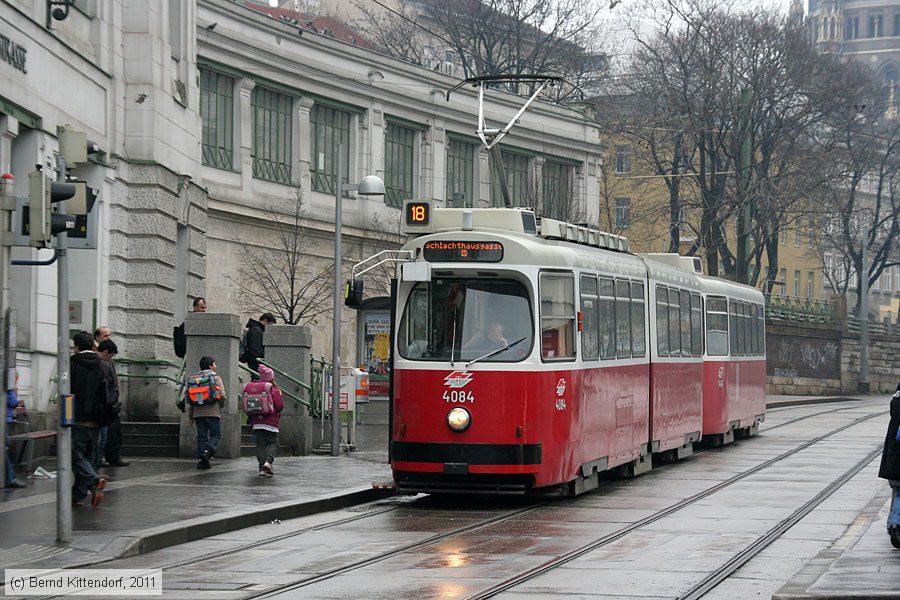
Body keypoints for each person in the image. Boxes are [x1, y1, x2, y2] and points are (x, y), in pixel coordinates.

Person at [70, 331, 114, 507]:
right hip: (96, 420)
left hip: (77, 418)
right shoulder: (103, 366)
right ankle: (79, 495)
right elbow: (106, 394)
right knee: (89, 457)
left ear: (76, 346)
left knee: (74, 456)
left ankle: (93, 480)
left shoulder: (72, 364)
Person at [244, 365, 284, 477]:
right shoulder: (274, 390)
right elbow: (280, 406)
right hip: (271, 424)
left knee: (260, 445)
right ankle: (268, 462)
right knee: (273, 443)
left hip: (257, 423)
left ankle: (262, 468)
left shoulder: (254, 389)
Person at [190, 356, 226, 470]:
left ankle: (201, 461)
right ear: (210, 366)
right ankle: (207, 453)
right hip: (212, 411)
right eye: (214, 364)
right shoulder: (215, 378)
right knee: (215, 435)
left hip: (197, 412)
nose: (216, 366)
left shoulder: (194, 379)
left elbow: (190, 399)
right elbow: (222, 395)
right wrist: (220, 406)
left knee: (202, 436)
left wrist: (191, 416)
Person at [97, 340, 129, 467]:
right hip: (103, 406)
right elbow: (107, 385)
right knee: (101, 439)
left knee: (106, 436)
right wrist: (111, 399)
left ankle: (106, 458)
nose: (110, 358)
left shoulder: (106, 363)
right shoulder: (100, 364)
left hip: (107, 405)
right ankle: (97, 462)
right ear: (105, 352)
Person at [879, 383, 900, 548]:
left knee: (897, 491)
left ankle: (893, 523)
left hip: (894, 459)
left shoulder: (895, 402)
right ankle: (894, 523)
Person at [4, 384, 25, 489]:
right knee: (3, 448)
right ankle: (10, 479)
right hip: (4, 419)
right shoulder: (7, 384)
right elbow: (12, 402)